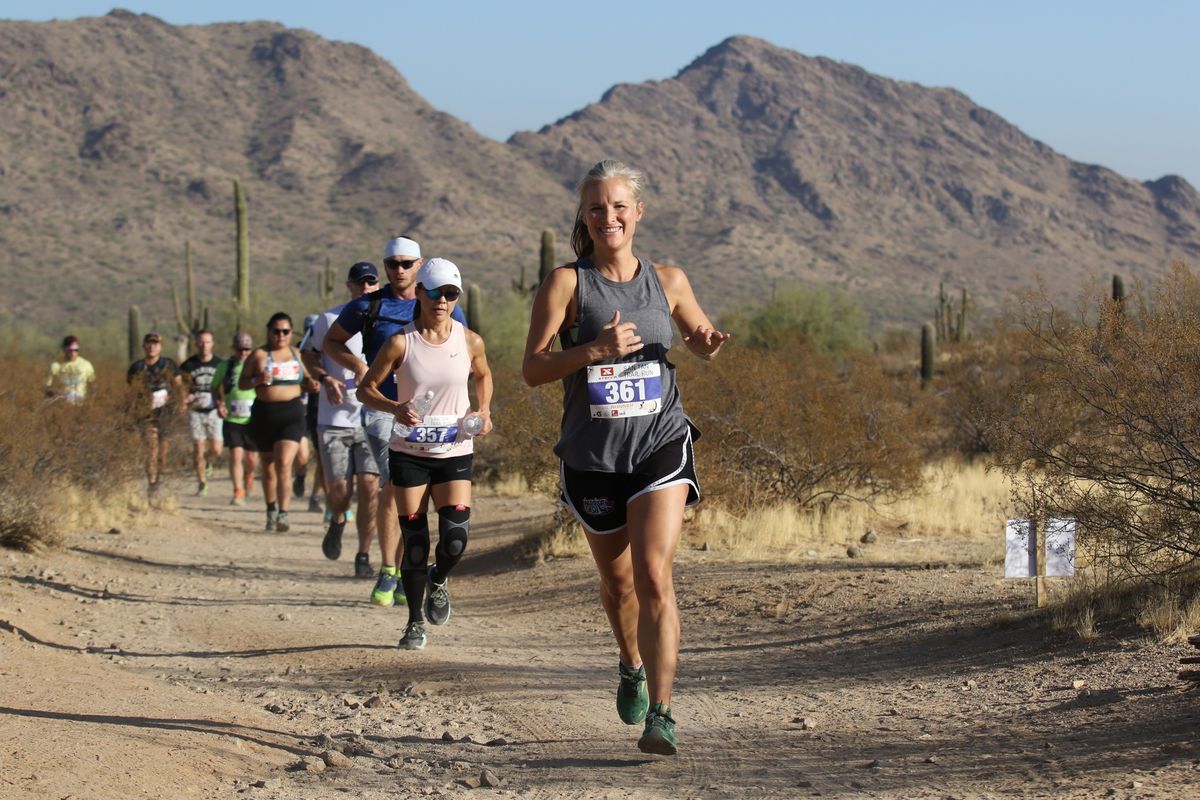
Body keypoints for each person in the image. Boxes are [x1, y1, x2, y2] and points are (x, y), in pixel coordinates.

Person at [522, 159, 729, 756]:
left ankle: (662, 714)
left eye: (618, 206)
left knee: (654, 576)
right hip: (593, 453)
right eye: (595, 208)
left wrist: (707, 345)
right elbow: (534, 368)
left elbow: (696, 337)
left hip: (659, 442)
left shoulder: (669, 280)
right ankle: (630, 662)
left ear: (638, 212)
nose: (607, 216)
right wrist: (593, 350)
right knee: (618, 587)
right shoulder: (566, 283)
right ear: (584, 218)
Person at [324, 237, 468, 607]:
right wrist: (358, 366)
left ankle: (409, 568)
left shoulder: (443, 303)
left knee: (416, 493)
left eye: (406, 264)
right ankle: (390, 568)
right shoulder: (370, 305)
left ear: (419, 265)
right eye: (392, 264)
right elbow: (332, 342)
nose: (399, 270)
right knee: (393, 480)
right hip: (383, 408)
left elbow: (462, 350)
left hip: (433, 414)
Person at [358, 257, 493, 651]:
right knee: (415, 542)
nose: (442, 300)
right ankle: (415, 622)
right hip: (410, 453)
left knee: (454, 541)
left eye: (450, 294)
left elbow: (483, 374)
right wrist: (394, 407)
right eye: (434, 292)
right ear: (419, 293)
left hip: (453, 450)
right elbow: (365, 389)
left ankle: (438, 579)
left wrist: (482, 411)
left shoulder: (469, 340)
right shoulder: (401, 341)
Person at [303, 261, 382, 579]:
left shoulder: (390, 318)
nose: (365, 288)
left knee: (369, 486)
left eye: (371, 283)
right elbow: (308, 354)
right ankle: (337, 520)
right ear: (349, 286)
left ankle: (363, 554)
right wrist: (325, 379)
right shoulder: (329, 319)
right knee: (339, 492)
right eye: (359, 283)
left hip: (372, 416)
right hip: (334, 416)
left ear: (377, 285)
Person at [239, 313, 313, 531]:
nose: (281, 336)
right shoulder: (259, 355)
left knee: (283, 464)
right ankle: (271, 509)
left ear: (291, 333)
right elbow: (242, 383)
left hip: (292, 414)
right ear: (269, 331)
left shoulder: (296, 354)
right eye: (276, 331)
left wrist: (313, 384)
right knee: (269, 467)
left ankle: (284, 513)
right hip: (264, 415)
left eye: (285, 331)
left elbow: (307, 379)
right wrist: (256, 380)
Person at [127, 331, 180, 491]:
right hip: (146, 414)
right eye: (149, 344)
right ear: (144, 346)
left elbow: (178, 386)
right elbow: (131, 389)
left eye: (155, 344)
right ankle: (151, 483)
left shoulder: (169, 365)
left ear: (160, 347)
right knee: (151, 448)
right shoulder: (137, 367)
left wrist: (175, 400)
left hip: (165, 413)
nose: (152, 347)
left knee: (162, 452)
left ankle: (160, 477)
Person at [212, 332, 259, 506]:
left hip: (253, 419)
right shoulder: (225, 366)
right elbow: (214, 388)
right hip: (232, 419)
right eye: (240, 349)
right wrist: (219, 404)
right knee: (236, 455)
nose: (243, 353)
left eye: (247, 349)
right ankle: (238, 491)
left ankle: (249, 474)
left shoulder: (256, 364)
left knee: (251, 459)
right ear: (234, 349)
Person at [177, 329, 224, 496]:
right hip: (195, 411)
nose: (204, 345)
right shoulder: (188, 365)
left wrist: (223, 403)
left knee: (217, 449)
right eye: (201, 342)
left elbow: (225, 386)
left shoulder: (219, 364)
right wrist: (184, 399)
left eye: (207, 342)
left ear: (212, 344)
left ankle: (208, 461)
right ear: (196, 344)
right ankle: (202, 483)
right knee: (198, 448)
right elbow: (181, 386)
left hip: (213, 411)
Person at [295, 314, 324, 513]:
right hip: (296, 409)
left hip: (316, 407)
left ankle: (315, 496)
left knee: (322, 455)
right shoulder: (295, 351)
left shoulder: (326, 347)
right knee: (302, 457)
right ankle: (300, 475)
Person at [46, 335, 96, 404]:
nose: (73, 353)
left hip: (81, 407)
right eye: (70, 350)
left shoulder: (86, 365)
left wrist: (90, 404)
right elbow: (47, 388)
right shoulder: (55, 366)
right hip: (61, 407)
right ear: (64, 349)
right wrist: (56, 394)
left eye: (76, 350)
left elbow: (93, 386)